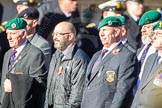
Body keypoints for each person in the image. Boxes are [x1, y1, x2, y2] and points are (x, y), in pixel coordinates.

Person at [81, 16, 137, 108]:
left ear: (116, 32)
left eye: (105, 30)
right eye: (100, 30)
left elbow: (122, 90)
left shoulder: (126, 56)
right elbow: (87, 85)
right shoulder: (96, 55)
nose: (101, 34)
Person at [0, 18, 47, 108]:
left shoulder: (34, 53)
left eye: (13, 34)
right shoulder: (7, 54)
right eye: (7, 33)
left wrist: (15, 85)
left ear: (24, 34)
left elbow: (41, 84)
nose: (8, 37)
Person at [44, 21, 89, 108]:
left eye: (58, 34)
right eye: (54, 34)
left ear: (70, 36)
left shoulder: (79, 60)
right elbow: (49, 90)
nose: (54, 38)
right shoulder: (56, 56)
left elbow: (77, 98)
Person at [131, 20, 162, 108]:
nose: (154, 37)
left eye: (159, 34)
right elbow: (141, 87)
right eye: (154, 34)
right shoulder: (151, 58)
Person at [133, 10, 161, 94]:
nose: (142, 30)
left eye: (147, 27)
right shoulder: (141, 49)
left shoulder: (159, 51)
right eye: (142, 27)